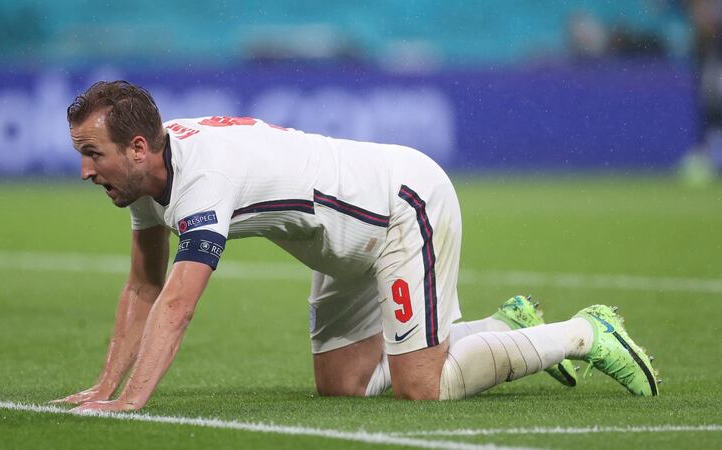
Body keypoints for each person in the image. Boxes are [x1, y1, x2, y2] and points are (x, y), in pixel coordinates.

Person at [52, 81, 659, 412]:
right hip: (338, 244)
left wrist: (132, 402)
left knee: (421, 387)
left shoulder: (202, 183)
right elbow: (143, 286)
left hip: (400, 207)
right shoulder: (143, 175)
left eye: (91, 153)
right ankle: (503, 323)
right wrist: (104, 385)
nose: (85, 170)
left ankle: (582, 333)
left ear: (137, 147)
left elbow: (178, 305)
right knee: (343, 384)